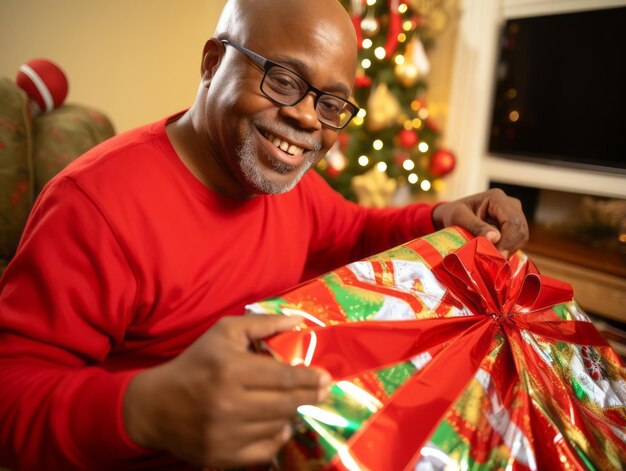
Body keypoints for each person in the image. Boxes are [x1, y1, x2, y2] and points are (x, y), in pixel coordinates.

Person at [0, 0, 528, 469]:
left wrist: (441, 217)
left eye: (330, 104)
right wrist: (143, 410)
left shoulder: (288, 187)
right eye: (282, 79)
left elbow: (355, 231)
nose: (305, 118)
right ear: (212, 63)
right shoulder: (95, 205)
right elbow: (11, 395)